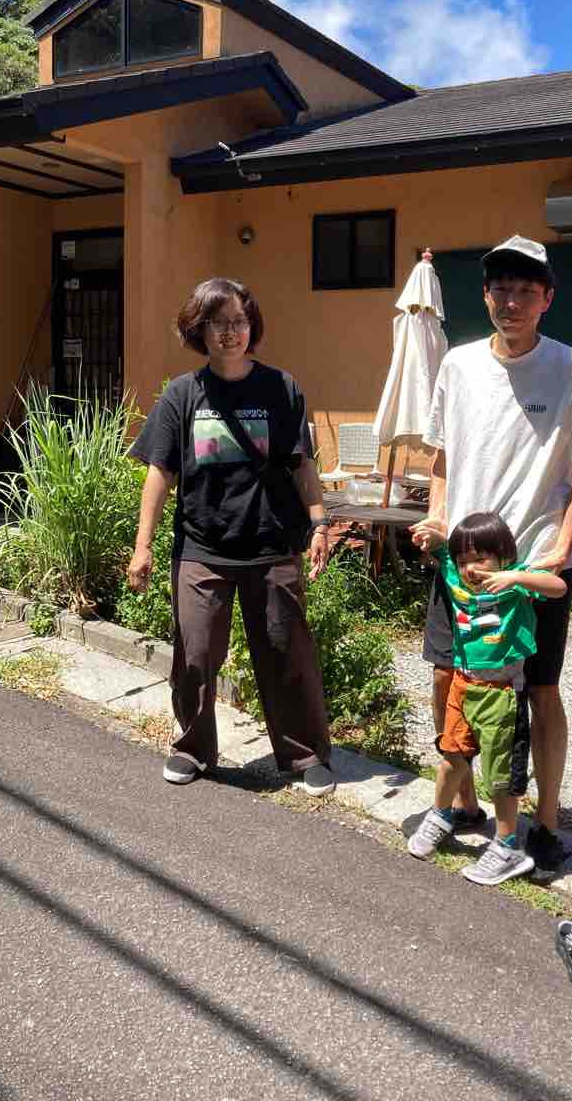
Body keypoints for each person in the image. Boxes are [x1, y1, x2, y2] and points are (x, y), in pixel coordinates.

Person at [418, 235, 572, 877]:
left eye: (525, 291)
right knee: (449, 676)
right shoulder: (458, 365)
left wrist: (564, 542)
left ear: (546, 299)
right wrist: (437, 515)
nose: (511, 302)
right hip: (462, 561)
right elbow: (442, 457)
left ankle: (547, 822)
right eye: (500, 290)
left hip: (535, 560)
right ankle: (464, 804)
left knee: (540, 689)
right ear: (485, 296)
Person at [126, 277, 335, 795]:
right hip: (203, 546)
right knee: (195, 654)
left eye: (239, 321)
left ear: (252, 326)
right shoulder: (182, 395)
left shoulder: (281, 388)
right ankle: (193, 748)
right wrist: (143, 544)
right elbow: (159, 472)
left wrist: (319, 523)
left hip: (271, 543)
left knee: (286, 651)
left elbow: (301, 463)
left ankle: (305, 754)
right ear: (199, 330)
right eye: (218, 323)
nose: (230, 332)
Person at [408, 511, 567, 886]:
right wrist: (431, 538)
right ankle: (440, 815)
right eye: (464, 561)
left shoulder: (515, 584)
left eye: (481, 559)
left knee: (500, 777)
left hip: (502, 696)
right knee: (451, 758)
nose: (471, 568)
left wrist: (516, 577)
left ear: (503, 558)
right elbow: (444, 553)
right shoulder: (456, 577)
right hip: (463, 687)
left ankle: (508, 846)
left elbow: (557, 587)